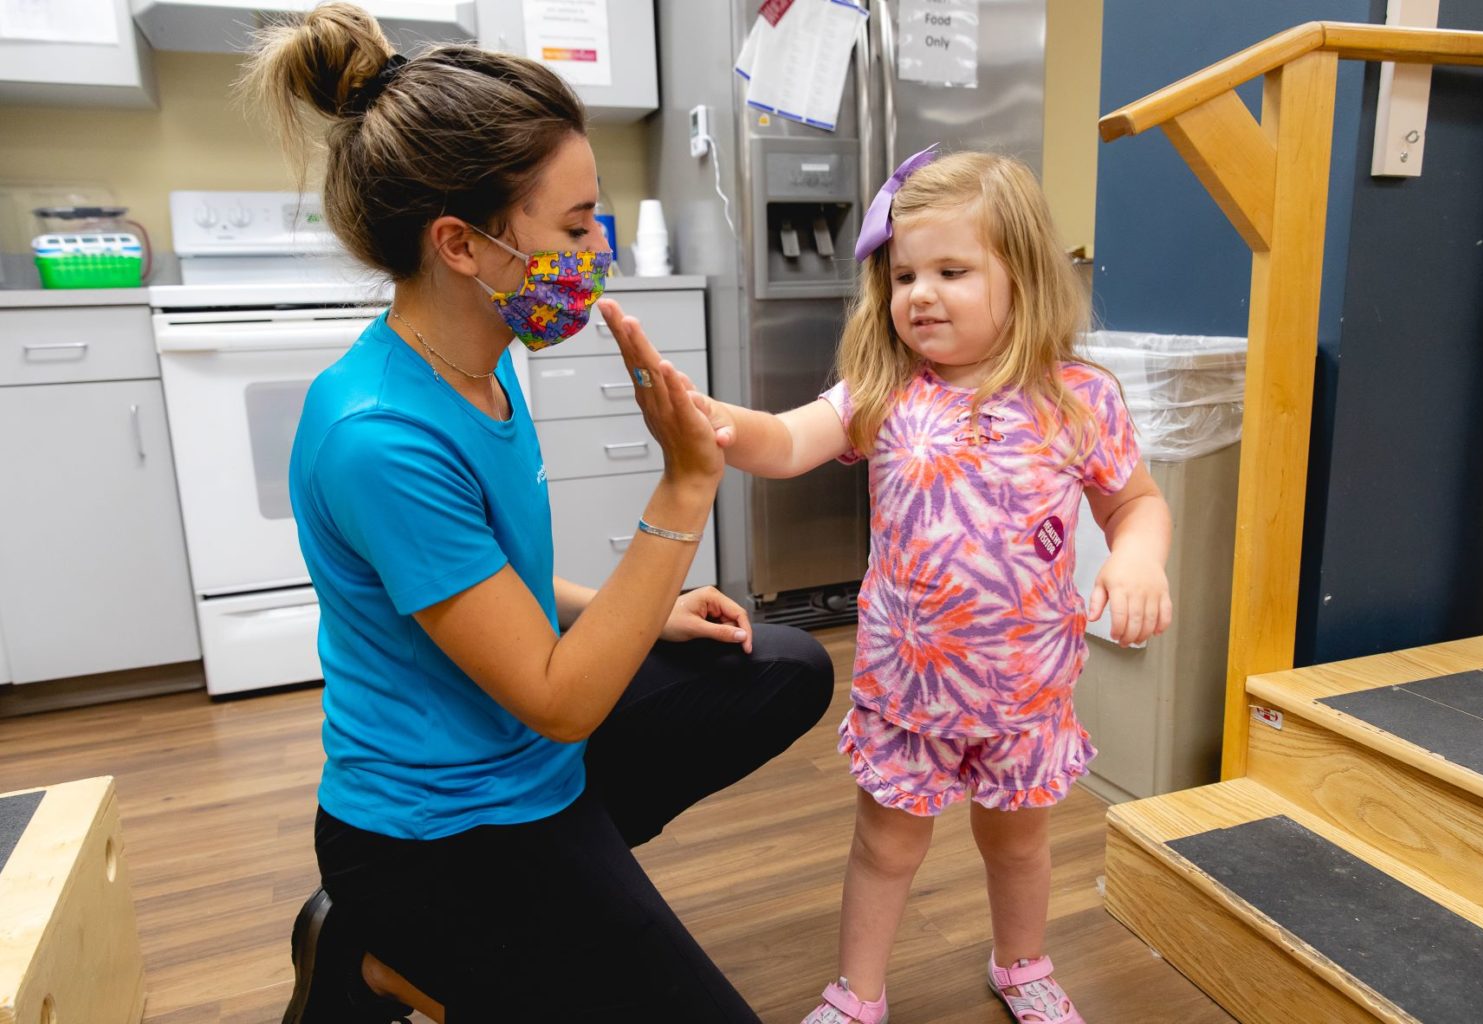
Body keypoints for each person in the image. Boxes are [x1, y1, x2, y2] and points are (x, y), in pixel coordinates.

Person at [241, 4, 833, 1021]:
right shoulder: (380, 436)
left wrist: (635, 609)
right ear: (461, 245)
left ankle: (562, 895)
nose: (597, 248)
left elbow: (483, 571)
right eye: (573, 227)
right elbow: (560, 701)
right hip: (433, 835)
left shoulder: (482, 364)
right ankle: (378, 951)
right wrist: (685, 485)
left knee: (782, 665)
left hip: (535, 760)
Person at [684, 149, 1174, 1024]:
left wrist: (1138, 557)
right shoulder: (881, 391)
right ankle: (857, 994)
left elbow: (1135, 503)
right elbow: (786, 443)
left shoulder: (1078, 400)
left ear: (1023, 277)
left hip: (1027, 691)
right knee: (883, 848)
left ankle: (1022, 966)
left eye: (952, 271)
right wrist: (715, 420)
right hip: (905, 689)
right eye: (904, 274)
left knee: (1017, 847)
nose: (921, 293)